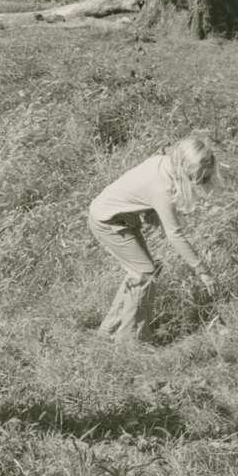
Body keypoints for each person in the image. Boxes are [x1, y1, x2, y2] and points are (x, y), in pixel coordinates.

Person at [88, 136, 218, 342]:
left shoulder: (164, 161)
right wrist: (202, 271)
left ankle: (109, 330)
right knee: (144, 274)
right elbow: (174, 235)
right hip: (107, 221)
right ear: (184, 166)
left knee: (144, 272)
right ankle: (130, 340)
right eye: (197, 178)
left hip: (118, 218)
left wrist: (159, 218)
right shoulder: (162, 188)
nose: (199, 183)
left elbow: (147, 208)